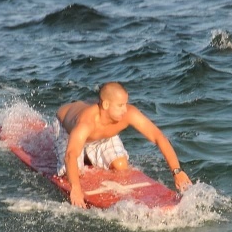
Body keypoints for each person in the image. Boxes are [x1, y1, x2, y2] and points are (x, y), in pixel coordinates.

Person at [54, 82, 192, 208]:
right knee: (73, 173)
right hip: (69, 133)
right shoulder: (86, 122)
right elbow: (70, 155)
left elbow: (158, 137)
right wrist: (75, 188)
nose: (125, 110)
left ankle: (91, 159)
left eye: (125, 104)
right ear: (106, 105)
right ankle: (85, 159)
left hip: (103, 136)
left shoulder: (127, 114)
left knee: (121, 165)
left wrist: (177, 171)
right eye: (120, 105)